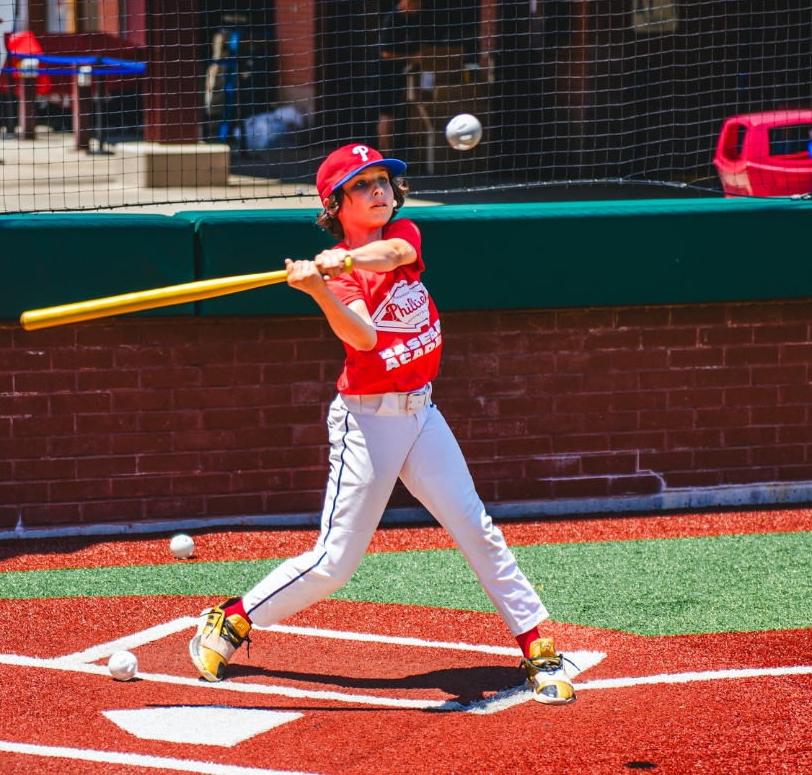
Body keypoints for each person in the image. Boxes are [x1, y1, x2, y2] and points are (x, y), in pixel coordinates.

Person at [188, 143, 576, 707]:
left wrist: (343, 262)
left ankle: (538, 645)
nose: (380, 191)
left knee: (474, 526)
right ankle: (232, 620)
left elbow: (393, 252)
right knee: (335, 563)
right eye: (363, 185)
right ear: (336, 203)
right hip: (368, 423)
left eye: (383, 182)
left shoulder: (403, 237)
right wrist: (320, 285)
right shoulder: (336, 273)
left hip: (421, 411)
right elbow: (364, 338)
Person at [376, 0, 425, 153]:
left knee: (395, 115)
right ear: (405, 3)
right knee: (386, 115)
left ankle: (393, 151)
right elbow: (385, 53)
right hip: (385, 75)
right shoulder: (392, 20)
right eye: (415, 7)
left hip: (400, 75)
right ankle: (385, 153)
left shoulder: (410, 21)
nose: (416, 11)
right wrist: (411, 57)